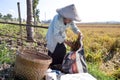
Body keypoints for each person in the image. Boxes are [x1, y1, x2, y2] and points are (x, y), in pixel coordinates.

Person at [46, 4, 83, 69]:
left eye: (72, 19)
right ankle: (50, 68)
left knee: (62, 50)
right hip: (52, 37)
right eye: (70, 19)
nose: (71, 21)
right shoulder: (57, 19)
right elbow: (56, 34)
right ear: (64, 16)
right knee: (53, 53)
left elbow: (74, 27)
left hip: (61, 36)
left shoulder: (70, 20)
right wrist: (66, 42)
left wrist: (79, 32)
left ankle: (59, 67)